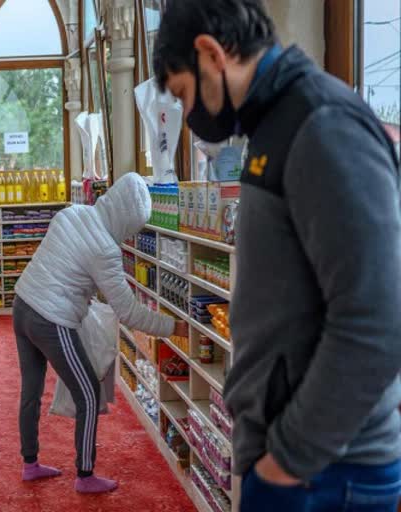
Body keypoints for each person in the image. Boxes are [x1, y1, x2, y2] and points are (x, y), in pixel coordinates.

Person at [153, 1, 401, 511]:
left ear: (209, 54)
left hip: (324, 472)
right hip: (302, 463)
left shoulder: (321, 123)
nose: (190, 117)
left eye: (184, 94)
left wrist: (286, 459)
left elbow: (377, 318)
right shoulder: (277, 125)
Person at [13, 172, 186, 494]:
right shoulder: (105, 249)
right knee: (89, 394)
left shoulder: (70, 213)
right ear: (126, 219)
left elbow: (63, 267)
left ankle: (30, 463)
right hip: (51, 319)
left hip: (22, 304)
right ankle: (85, 474)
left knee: (31, 390)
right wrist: (175, 328)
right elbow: (129, 312)